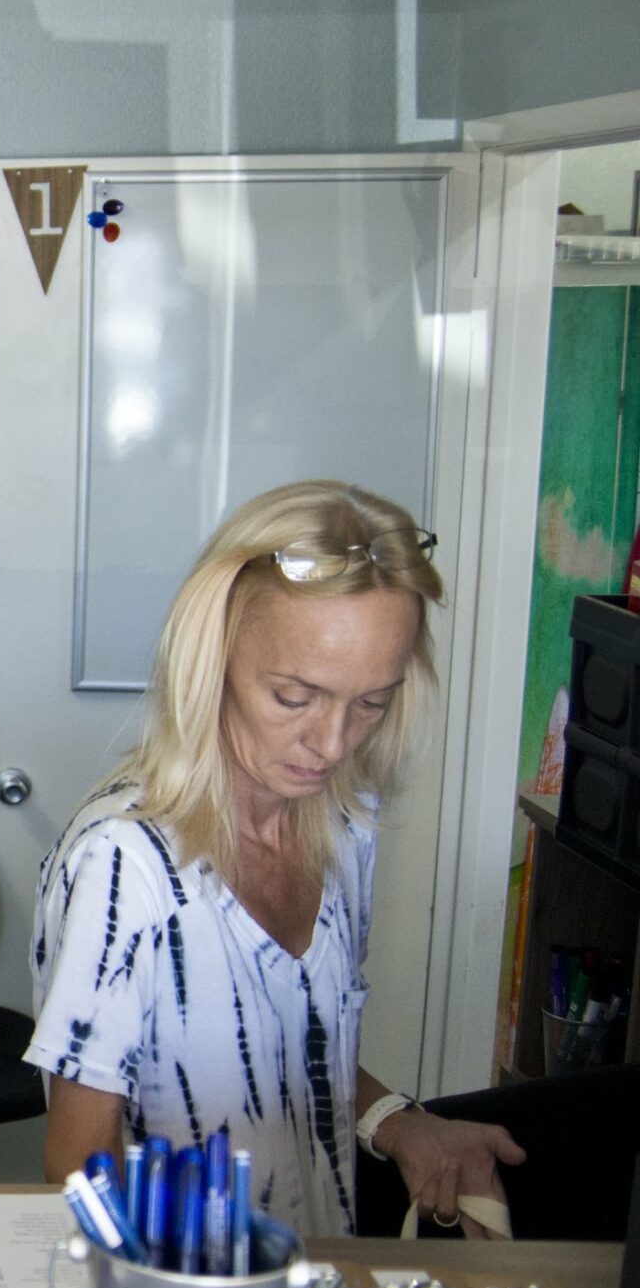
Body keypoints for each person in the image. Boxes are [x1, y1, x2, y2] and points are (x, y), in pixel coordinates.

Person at [27, 480, 524, 1241]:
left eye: (372, 702)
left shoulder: (344, 828)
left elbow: (294, 1058)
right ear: (215, 655)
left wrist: (401, 1125)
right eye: (295, 696)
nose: (331, 744)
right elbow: (79, 1165)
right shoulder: (126, 863)